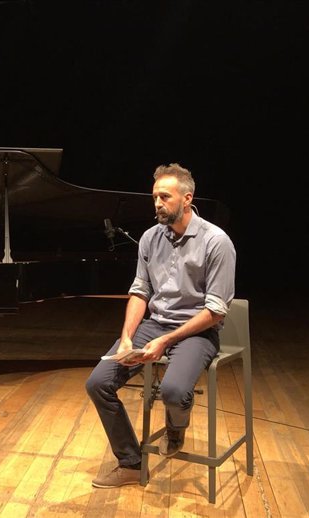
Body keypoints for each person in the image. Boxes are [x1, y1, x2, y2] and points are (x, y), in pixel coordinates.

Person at [85, 163, 236, 488]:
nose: (157, 203)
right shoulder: (150, 238)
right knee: (98, 383)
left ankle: (176, 425)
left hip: (197, 331)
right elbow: (140, 292)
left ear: (187, 198)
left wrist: (166, 341)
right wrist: (127, 337)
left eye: (164, 197)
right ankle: (130, 462)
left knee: (173, 391)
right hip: (155, 325)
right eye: (154, 197)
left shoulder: (216, 241)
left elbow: (215, 311)